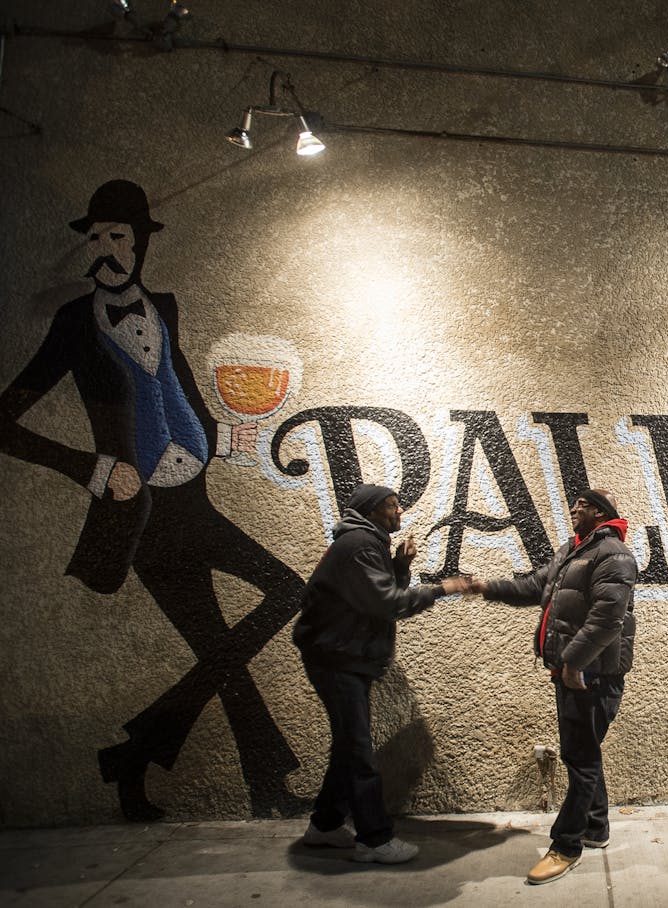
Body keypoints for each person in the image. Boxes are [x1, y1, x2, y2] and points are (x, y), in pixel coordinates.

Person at [0, 179, 305, 820]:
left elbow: (174, 384)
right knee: (234, 641)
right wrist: (91, 466)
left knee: (272, 604)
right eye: (96, 238)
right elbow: (5, 421)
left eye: (117, 237)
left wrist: (217, 436)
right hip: (140, 520)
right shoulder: (73, 325)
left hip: (191, 501)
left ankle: (136, 757)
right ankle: (263, 783)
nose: (105, 250)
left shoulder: (163, 306)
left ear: (140, 244)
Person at [293, 483, 477, 864]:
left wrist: (400, 567)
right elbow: (387, 604)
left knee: (348, 746)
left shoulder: (366, 542)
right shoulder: (359, 545)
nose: (399, 513)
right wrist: (442, 588)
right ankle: (374, 840)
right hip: (338, 659)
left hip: (342, 656)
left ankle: (325, 826)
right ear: (371, 509)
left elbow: (376, 599)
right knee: (359, 751)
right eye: (392, 506)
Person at [473, 488, 637, 886]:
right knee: (585, 753)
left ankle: (566, 845)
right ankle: (595, 828)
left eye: (581, 504)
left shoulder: (613, 554)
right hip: (574, 672)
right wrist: (481, 587)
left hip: (591, 675)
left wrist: (571, 663)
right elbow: (534, 587)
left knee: (579, 759)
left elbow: (607, 619)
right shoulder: (573, 551)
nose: (574, 508)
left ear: (600, 512)